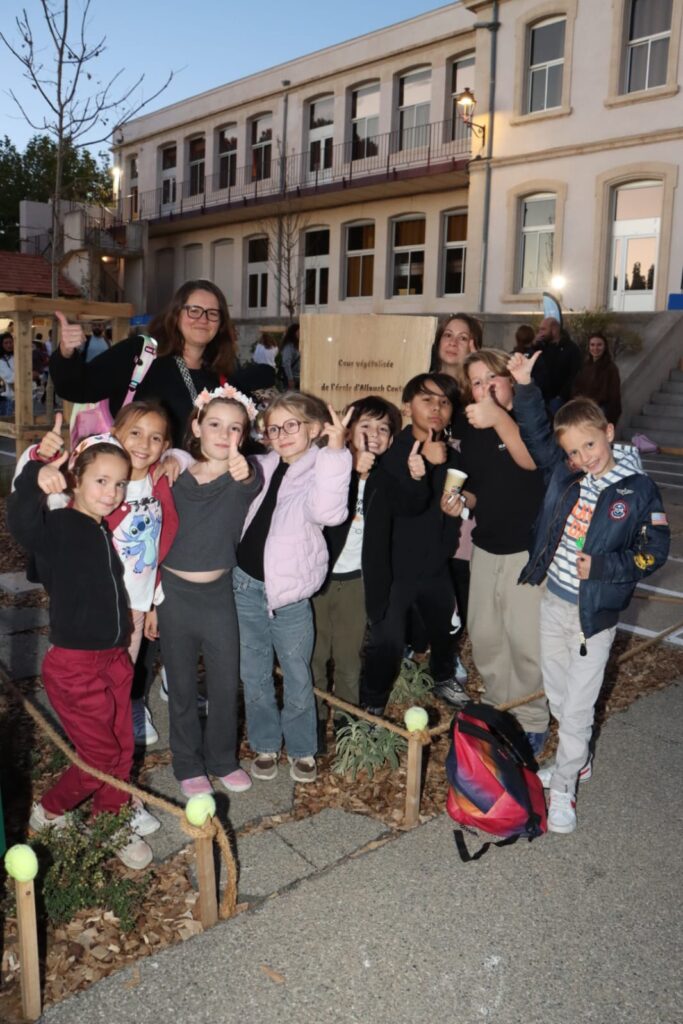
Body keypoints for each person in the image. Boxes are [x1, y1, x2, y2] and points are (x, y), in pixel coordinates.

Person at [509, 351, 670, 833]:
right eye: (574, 451)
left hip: (593, 615)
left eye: (589, 445)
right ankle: (577, 760)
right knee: (560, 696)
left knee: (577, 709)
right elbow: (538, 436)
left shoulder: (637, 489)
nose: (582, 457)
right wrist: (524, 387)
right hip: (553, 602)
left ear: (609, 434)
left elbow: (654, 551)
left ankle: (564, 789)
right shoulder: (567, 473)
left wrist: (601, 565)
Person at [7, 436, 155, 870]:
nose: (111, 492)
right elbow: (22, 523)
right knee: (98, 758)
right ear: (75, 479)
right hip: (75, 667)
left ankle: (108, 822)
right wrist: (36, 476)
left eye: (120, 484)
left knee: (122, 748)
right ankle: (49, 812)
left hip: (114, 660)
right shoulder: (62, 525)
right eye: (101, 481)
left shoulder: (99, 526)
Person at [20, 402, 179, 748]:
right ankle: (95, 749)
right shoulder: (93, 489)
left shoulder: (159, 482)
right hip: (91, 614)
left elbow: (157, 549)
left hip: (134, 609)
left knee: (123, 680)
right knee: (92, 688)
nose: (144, 443)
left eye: (155, 438)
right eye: (134, 433)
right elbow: (40, 500)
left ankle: (118, 735)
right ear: (115, 435)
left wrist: (155, 602)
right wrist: (37, 460)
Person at [147, 385, 262, 798]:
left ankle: (222, 758)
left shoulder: (242, 477)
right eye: (214, 424)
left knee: (224, 681)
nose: (223, 434)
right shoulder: (174, 474)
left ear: (244, 437)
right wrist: (171, 457)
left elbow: (249, 480)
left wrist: (243, 468)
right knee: (179, 683)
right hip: (174, 594)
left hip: (218, 597)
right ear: (196, 425)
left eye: (235, 428)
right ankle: (187, 763)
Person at [234, 393, 352, 783]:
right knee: (254, 673)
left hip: (289, 596)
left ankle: (302, 747)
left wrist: (336, 451)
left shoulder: (323, 468)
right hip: (245, 586)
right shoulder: (264, 465)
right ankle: (266, 742)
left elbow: (329, 512)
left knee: (298, 674)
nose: (281, 434)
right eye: (273, 427)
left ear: (314, 428)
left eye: (292, 425)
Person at [312, 396, 428, 750]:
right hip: (318, 579)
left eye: (383, 429)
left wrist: (417, 477)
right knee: (315, 656)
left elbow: (412, 505)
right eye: (365, 426)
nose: (374, 435)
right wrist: (350, 472)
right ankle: (313, 726)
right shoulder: (328, 467)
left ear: (391, 440)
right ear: (347, 432)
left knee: (348, 659)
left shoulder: (385, 478)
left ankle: (348, 725)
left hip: (359, 581)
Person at [447, 349, 548, 750]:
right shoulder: (471, 429)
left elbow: (531, 460)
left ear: (509, 380)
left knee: (526, 640)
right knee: (487, 635)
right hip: (485, 545)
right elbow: (478, 488)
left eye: (493, 377)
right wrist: (461, 500)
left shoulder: (531, 418)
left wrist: (500, 418)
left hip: (527, 550)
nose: (485, 387)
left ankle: (531, 717)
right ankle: (495, 705)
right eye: (475, 381)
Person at [360, 373, 465, 715]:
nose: (437, 408)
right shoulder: (392, 450)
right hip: (396, 566)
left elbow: (455, 498)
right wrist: (421, 468)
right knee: (387, 640)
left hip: (436, 562)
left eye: (445, 401)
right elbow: (400, 500)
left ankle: (444, 677)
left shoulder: (451, 453)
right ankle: (372, 704)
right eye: (427, 399)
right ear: (407, 407)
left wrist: (458, 510)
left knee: (445, 629)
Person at [49, 279, 238, 446]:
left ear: (220, 323)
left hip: (199, 482)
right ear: (176, 314)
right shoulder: (141, 354)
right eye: (194, 310)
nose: (203, 319)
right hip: (137, 480)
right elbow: (76, 388)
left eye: (212, 313)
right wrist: (66, 352)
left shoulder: (222, 373)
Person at [572, 332, 622, 427]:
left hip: (600, 411)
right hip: (583, 409)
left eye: (599, 345)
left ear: (605, 347)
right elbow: (577, 386)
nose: (595, 348)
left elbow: (614, 396)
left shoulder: (611, 368)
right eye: (592, 345)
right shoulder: (585, 366)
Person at [279, 322, 300, 389]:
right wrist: (290, 379)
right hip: (292, 379)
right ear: (293, 333)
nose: (301, 333)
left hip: (298, 378)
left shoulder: (297, 345)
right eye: (299, 331)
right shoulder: (289, 346)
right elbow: (286, 363)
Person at [0, 333, 14, 415]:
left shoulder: (15, 356)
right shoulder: (1, 360)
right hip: (6, 398)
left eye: (10, 342)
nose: (9, 345)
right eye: (6, 343)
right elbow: (10, 378)